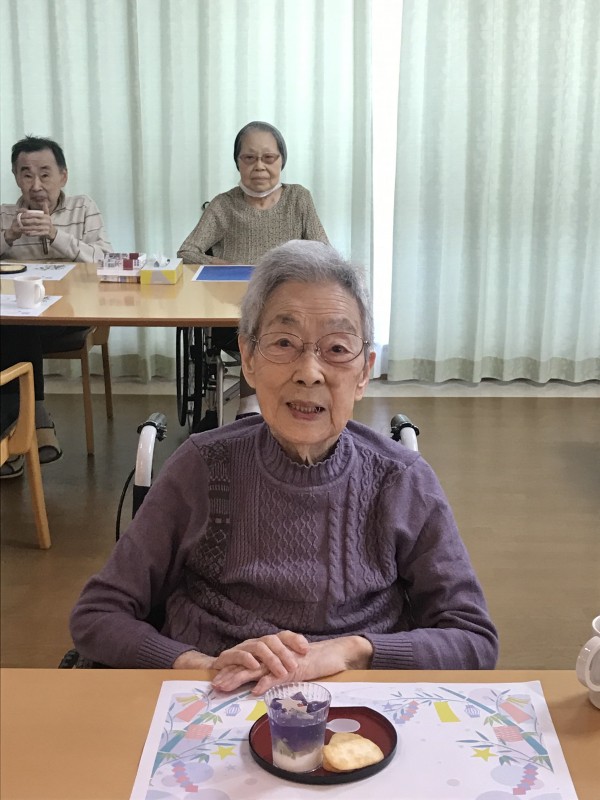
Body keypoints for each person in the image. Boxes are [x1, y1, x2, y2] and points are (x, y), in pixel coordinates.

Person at [70, 240, 498, 693]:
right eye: (284, 343)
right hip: (217, 695)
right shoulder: (202, 466)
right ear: (248, 359)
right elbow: (97, 614)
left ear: (364, 372)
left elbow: (473, 639)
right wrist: (198, 665)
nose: (309, 371)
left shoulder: (400, 480)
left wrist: (353, 651)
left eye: (337, 348)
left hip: (356, 700)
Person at [177, 121, 329, 429]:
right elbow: (187, 252)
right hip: (233, 316)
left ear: (281, 161)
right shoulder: (224, 205)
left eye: (268, 158)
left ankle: (265, 408)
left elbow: (324, 252)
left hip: (289, 310)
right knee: (256, 325)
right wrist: (224, 266)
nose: (259, 166)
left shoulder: (298, 199)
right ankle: (250, 408)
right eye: (249, 158)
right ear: (238, 162)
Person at [0, 135, 112, 477]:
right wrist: (8, 236)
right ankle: (30, 425)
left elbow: (105, 260)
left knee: (17, 328)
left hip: (72, 314)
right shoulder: (6, 215)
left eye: (45, 174)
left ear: (63, 176)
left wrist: (55, 234)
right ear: (16, 177)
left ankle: (21, 430)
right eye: (26, 174)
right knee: (17, 323)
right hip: (20, 318)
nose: (36, 185)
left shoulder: (82, 208)